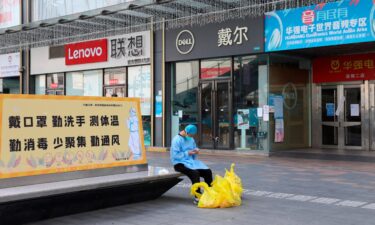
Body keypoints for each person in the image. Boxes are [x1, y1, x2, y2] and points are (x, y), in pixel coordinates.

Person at [170, 124, 213, 205]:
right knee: (195, 173)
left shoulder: (191, 138)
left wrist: (196, 150)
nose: (191, 136)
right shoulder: (176, 140)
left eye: (193, 135)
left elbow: (194, 147)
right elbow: (175, 155)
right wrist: (187, 153)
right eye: (190, 134)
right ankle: (198, 196)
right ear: (186, 132)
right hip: (179, 163)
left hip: (190, 162)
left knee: (208, 171)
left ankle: (210, 193)